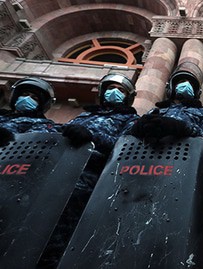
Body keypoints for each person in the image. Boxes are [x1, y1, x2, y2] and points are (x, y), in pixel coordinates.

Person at [38, 73, 139, 268]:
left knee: (65, 235)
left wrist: (92, 136)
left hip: (90, 179)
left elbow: (125, 148)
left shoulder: (131, 118)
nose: (114, 93)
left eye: (120, 91)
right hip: (56, 172)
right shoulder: (86, 114)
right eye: (111, 89)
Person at [129, 62, 203, 145]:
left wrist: (184, 128)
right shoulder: (156, 111)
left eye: (190, 84)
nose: (186, 84)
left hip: (186, 155)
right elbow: (126, 137)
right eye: (182, 82)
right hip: (150, 158)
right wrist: (138, 127)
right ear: (171, 88)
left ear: (196, 92)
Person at [0, 77, 59, 146]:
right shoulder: (2, 115)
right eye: (25, 94)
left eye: (34, 98)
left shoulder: (42, 124)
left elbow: (33, 144)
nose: (27, 98)